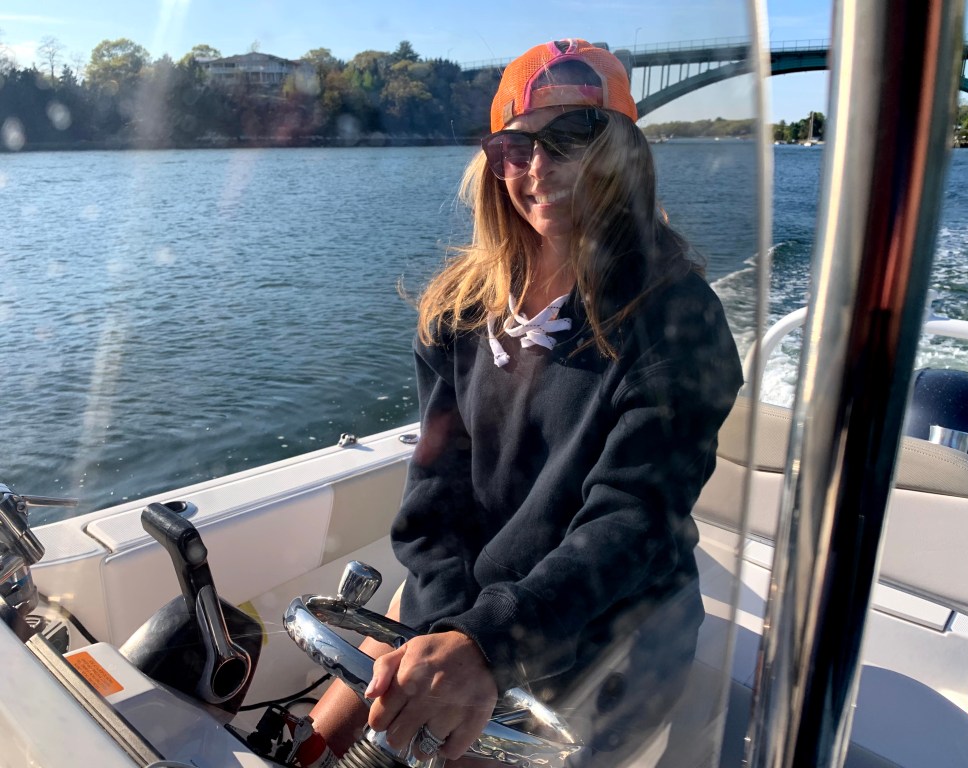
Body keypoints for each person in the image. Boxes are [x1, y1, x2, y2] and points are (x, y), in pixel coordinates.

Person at [302, 38, 743, 767]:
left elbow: (634, 521)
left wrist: (486, 645)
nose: (540, 167)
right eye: (515, 147)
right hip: (477, 608)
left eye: (575, 137)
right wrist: (445, 628)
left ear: (626, 154)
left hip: (610, 628)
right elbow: (435, 497)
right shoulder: (459, 310)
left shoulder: (677, 320)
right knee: (322, 743)